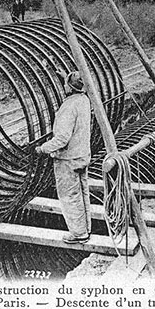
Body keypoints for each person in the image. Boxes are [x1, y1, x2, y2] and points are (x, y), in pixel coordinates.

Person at [34, 71, 92, 244]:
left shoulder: (68, 107)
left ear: (70, 87)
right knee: (82, 194)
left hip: (67, 159)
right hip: (81, 155)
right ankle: (85, 229)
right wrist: (62, 73)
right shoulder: (84, 100)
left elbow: (61, 138)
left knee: (70, 196)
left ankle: (78, 234)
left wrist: (42, 149)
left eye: (66, 83)